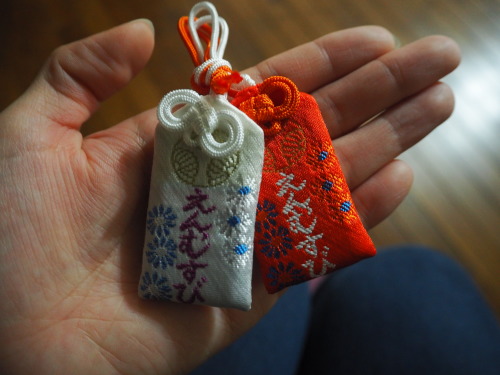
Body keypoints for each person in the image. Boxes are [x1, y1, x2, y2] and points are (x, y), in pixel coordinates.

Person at [2, 18, 496, 375]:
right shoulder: (185, 125)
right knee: (422, 280)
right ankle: (302, 295)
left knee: (408, 281)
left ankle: (302, 295)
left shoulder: (248, 118)